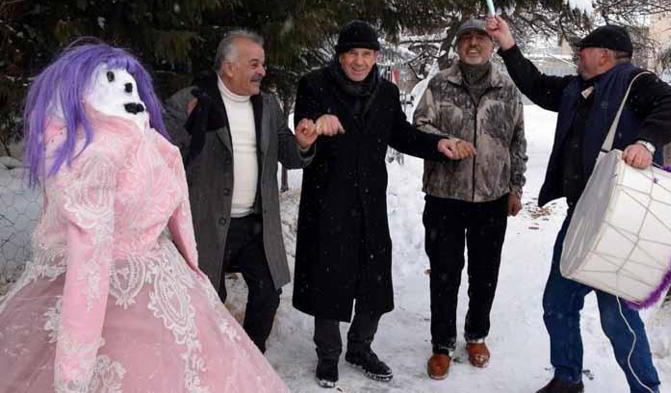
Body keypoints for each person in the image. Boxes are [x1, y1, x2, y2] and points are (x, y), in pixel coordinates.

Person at [0, 41, 288, 393]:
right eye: (254, 63)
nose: (261, 71)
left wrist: (191, 267)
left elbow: (175, 178)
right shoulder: (95, 154)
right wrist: (73, 371)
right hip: (97, 288)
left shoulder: (148, 137)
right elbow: (89, 253)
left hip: (167, 272)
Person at [486, 18, 671, 393]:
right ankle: (568, 379)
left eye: (584, 49)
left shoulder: (636, 84)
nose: (578, 54)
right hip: (581, 214)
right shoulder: (577, 88)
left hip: (620, 220)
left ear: (604, 55)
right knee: (558, 302)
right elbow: (536, 85)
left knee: (617, 316)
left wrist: (645, 143)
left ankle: (646, 389)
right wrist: (508, 44)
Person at [291, 20, 475, 388]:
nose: (359, 62)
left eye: (367, 54)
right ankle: (328, 354)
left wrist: (437, 144)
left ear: (376, 56)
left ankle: (360, 347)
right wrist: (310, 132)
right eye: (352, 54)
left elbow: (402, 134)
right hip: (327, 201)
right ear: (340, 56)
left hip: (370, 201)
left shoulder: (386, 93)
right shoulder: (313, 85)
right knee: (329, 277)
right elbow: (302, 133)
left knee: (374, 280)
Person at [165, 30, 317, 352]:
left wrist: (302, 143)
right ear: (229, 66)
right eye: (254, 63)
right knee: (208, 296)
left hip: (255, 224)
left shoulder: (269, 105)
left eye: (262, 63)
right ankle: (211, 359)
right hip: (205, 224)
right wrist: (189, 128)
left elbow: (288, 154)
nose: (262, 70)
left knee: (267, 292)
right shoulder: (189, 101)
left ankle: (249, 355)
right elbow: (163, 157)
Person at [413, 18, 527, 380]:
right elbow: (419, 126)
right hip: (445, 195)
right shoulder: (439, 84)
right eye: (467, 39)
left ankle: (476, 334)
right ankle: (441, 344)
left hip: (492, 197)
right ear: (458, 46)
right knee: (444, 273)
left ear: (492, 46)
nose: (474, 44)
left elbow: (517, 142)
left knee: (485, 273)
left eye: (481, 38)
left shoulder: (507, 89)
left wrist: (515, 187)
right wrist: (441, 143)